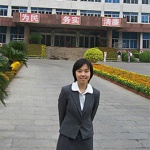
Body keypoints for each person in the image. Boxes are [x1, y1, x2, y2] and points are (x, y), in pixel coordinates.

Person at [56, 58, 100, 150]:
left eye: (86, 71)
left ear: (90, 73)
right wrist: (66, 128)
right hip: (67, 135)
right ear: (74, 73)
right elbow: (62, 114)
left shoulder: (95, 93)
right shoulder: (66, 91)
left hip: (86, 136)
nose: (83, 74)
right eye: (79, 71)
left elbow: (91, 115)